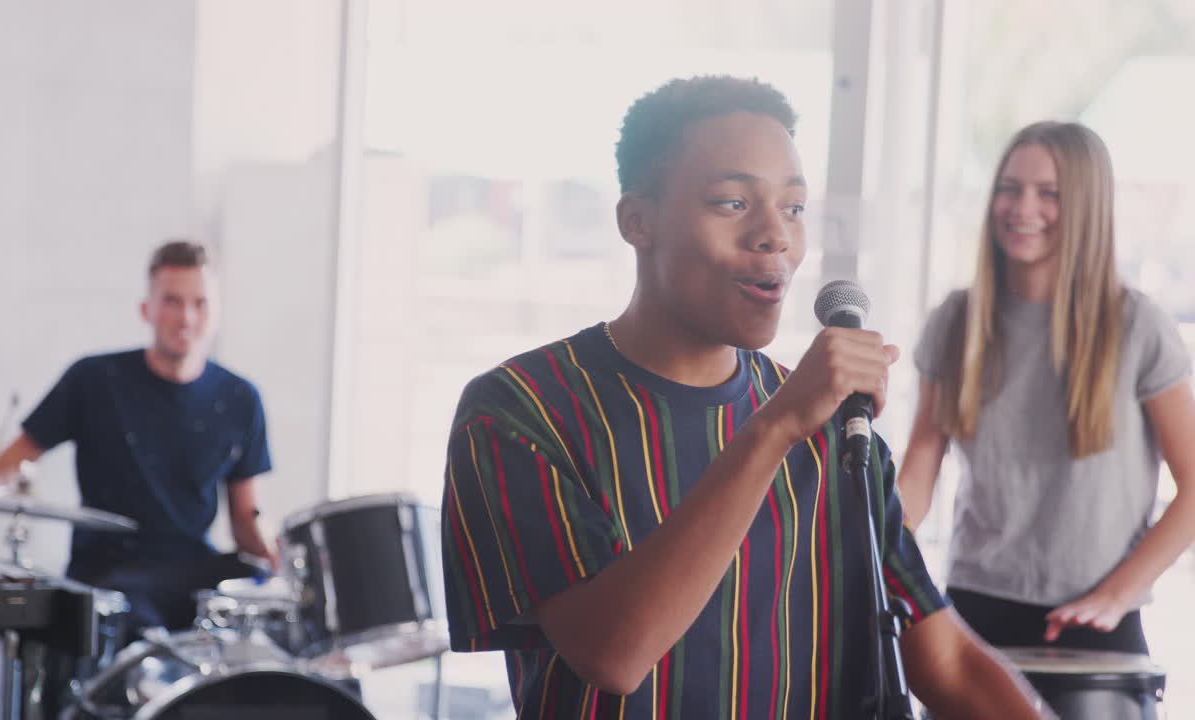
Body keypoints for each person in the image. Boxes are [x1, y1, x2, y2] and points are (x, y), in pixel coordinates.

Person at [441, 76, 1046, 719]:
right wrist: (774, 428)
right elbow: (615, 653)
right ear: (637, 221)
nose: (774, 236)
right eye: (732, 203)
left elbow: (948, 663)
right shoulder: (520, 412)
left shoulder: (839, 432)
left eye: (793, 207)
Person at [898, 121, 1195, 655]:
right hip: (972, 609)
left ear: (1085, 207)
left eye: (1048, 194)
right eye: (1010, 188)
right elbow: (922, 464)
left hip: (1098, 621)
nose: (1021, 208)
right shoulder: (956, 320)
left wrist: (1115, 596)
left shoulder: (1137, 326)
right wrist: (881, 555)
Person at [0, 239, 278, 636]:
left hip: (193, 568)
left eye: (200, 303)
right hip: (109, 572)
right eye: (172, 301)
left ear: (216, 313)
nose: (186, 317)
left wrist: (277, 552)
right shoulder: (94, 380)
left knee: (274, 614)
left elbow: (245, 517)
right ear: (146, 309)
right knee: (134, 622)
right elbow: (12, 463)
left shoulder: (241, 398)